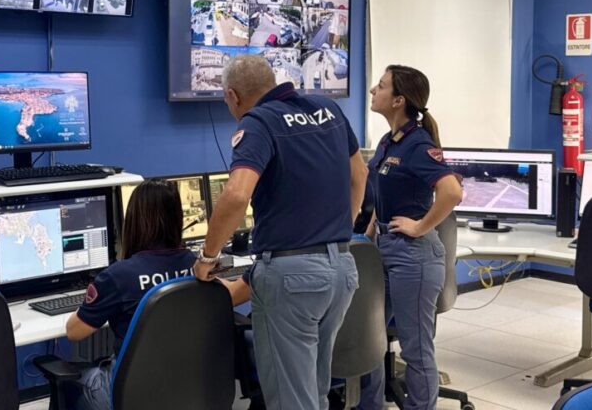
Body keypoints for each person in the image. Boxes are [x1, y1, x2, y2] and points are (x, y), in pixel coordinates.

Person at [194, 55, 367, 410]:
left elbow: (237, 194)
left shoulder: (258, 122)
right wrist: (339, 231)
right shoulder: (328, 109)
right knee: (314, 390)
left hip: (293, 279)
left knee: (292, 400)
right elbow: (359, 175)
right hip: (342, 269)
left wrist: (208, 257)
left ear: (232, 96)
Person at [357, 65, 463, 410]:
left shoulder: (418, 144)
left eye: (381, 86)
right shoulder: (389, 141)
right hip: (383, 249)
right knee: (370, 340)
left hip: (413, 256)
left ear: (398, 100)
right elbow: (383, 193)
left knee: (415, 349)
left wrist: (420, 226)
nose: (373, 90)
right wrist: (369, 234)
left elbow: (452, 192)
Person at [63, 179, 196, 410]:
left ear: (134, 220)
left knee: (70, 383)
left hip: (133, 393)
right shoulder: (196, 266)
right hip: (186, 386)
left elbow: (74, 332)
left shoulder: (118, 276)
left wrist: (91, 300)